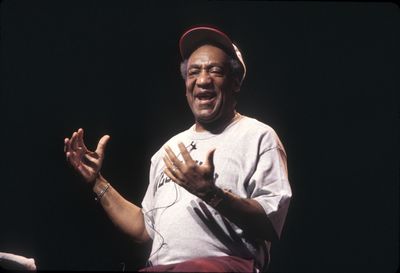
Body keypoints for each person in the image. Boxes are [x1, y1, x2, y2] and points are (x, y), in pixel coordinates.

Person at [64, 26, 292, 272]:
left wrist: (211, 193)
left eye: (215, 71)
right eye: (194, 72)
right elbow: (144, 228)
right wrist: (97, 181)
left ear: (235, 82)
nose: (203, 80)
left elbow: (270, 222)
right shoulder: (167, 150)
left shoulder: (258, 136)